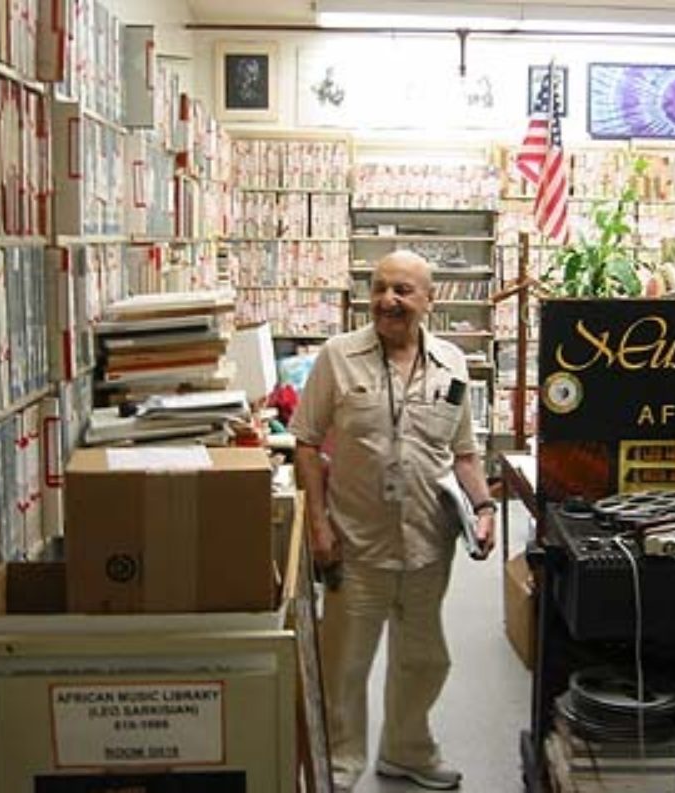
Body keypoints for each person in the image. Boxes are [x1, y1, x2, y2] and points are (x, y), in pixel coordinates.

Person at [290, 249, 496, 791]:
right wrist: (318, 524)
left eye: (403, 290)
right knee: (345, 665)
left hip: (430, 542)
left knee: (424, 659)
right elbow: (306, 442)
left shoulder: (452, 365)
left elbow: (465, 452)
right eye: (380, 288)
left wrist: (484, 507)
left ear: (429, 300)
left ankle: (407, 750)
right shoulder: (339, 357)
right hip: (355, 542)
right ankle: (340, 764)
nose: (388, 300)